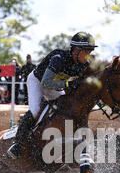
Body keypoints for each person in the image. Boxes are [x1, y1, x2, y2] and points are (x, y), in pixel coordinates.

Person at [7, 31, 97, 159]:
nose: (89, 55)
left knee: (67, 107)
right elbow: (46, 82)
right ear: (76, 50)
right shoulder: (58, 59)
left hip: (55, 85)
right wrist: (67, 84)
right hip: (37, 82)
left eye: (90, 51)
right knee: (35, 111)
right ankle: (18, 144)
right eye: (86, 51)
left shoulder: (84, 64)